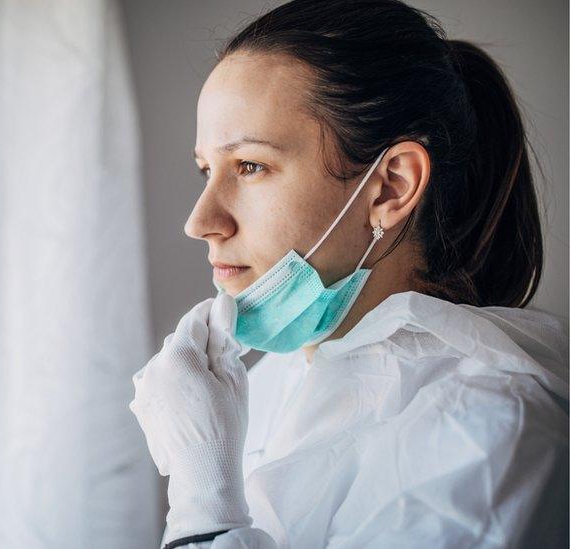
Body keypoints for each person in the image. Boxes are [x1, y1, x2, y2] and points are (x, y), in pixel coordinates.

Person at [128, 1, 569, 547]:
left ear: (390, 187)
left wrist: (203, 500)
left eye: (250, 166)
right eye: (206, 170)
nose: (200, 222)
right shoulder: (279, 379)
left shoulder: (489, 435)